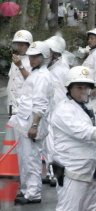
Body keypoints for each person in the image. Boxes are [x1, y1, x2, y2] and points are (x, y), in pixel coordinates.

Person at [51, 66, 96, 211]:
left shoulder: (88, 110)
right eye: (79, 87)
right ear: (70, 88)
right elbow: (84, 132)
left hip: (90, 174)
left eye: (87, 88)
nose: (84, 92)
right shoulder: (63, 110)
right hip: (71, 174)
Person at [9, 41, 53, 205]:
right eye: (31, 56)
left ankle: (33, 193)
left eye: (36, 57)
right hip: (25, 122)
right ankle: (27, 189)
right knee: (25, 158)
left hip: (31, 124)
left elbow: (40, 103)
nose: (32, 59)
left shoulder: (43, 76)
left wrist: (34, 125)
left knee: (32, 159)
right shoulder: (36, 73)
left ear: (44, 57)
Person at [41, 35, 70, 186]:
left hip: (56, 113)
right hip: (48, 112)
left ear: (56, 54)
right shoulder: (49, 68)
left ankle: (54, 174)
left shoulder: (61, 70)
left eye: (49, 52)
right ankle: (50, 172)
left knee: (53, 143)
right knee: (47, 143)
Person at [7, 30, 33, 116]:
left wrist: (20, 66)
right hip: (11, 105)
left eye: (22, 45)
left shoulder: (32, 61)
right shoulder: (15, 59)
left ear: (29, 45)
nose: (19, 47)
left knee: (23, 129)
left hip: (24, 106)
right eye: (18, 45)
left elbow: (32, 81)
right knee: (11, 129)